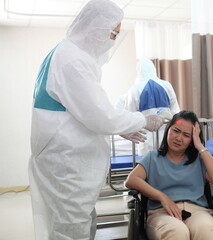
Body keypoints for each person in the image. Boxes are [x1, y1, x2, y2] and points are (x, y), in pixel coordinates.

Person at [28, 0, 164, 239]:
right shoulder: (72, 60)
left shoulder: (68, 53)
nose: (113, 39)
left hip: (67, 161)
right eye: (113, 33)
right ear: (96, 28)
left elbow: (89, 111)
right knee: (71, 228)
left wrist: (119, 126)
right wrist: (142, 121)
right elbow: (101, 115)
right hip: (67, 163)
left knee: (78, 222)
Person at [125, 110, 213, 240]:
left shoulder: (199, 160)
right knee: (177, 232)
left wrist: (200, 146)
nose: (178, 138)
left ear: (192, 139)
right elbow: (131, 180)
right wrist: (162, 197)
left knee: (206, 231)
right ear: (168, 130)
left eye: (186, 135)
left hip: (198, 212)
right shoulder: (153, 158)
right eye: (176, 130)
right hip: (162, 213)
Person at [125, 58, 181, 155]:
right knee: (166, 163)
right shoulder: (166, 85)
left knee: (147, 165)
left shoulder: (134, 89)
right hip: (166, 134)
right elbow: (176, 112)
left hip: (145, 136)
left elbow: (130, 115)